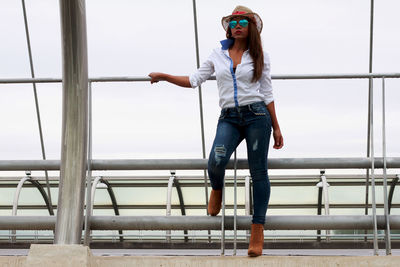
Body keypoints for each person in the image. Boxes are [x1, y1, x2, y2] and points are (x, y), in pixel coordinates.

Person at [149, 5, 283, 257]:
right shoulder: (217, 53)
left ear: (252, 27)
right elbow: (193, 80)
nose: (237, 25)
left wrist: (276, 127)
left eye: (243, 21)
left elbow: (267, 93)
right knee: (216, 160)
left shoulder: (260, 55)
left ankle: (257, 230)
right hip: (229, 117)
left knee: (259, 172)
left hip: (257, 116)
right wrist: (165, 76)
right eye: (233, 22)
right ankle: (217, 188)